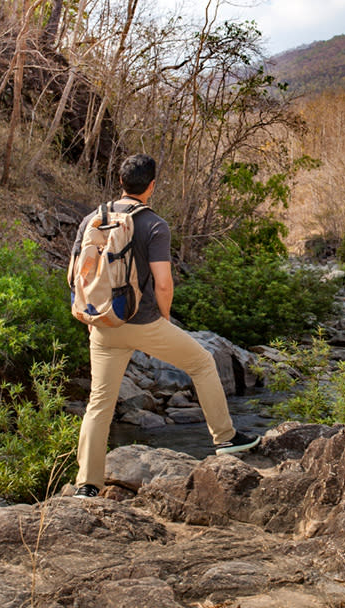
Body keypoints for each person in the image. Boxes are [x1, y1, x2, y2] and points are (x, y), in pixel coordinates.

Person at [72, 153, 259, 498]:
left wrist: (91, 317)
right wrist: (164, 316)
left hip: (103, 323)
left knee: (99, 402)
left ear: (120, 182)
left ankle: (87, 484)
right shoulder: (154, 224)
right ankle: (226, 438)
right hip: (143, 321)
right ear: (152, 186)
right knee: (202, 362)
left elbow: (76, 277)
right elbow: (163, 282)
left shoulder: (92, 220)